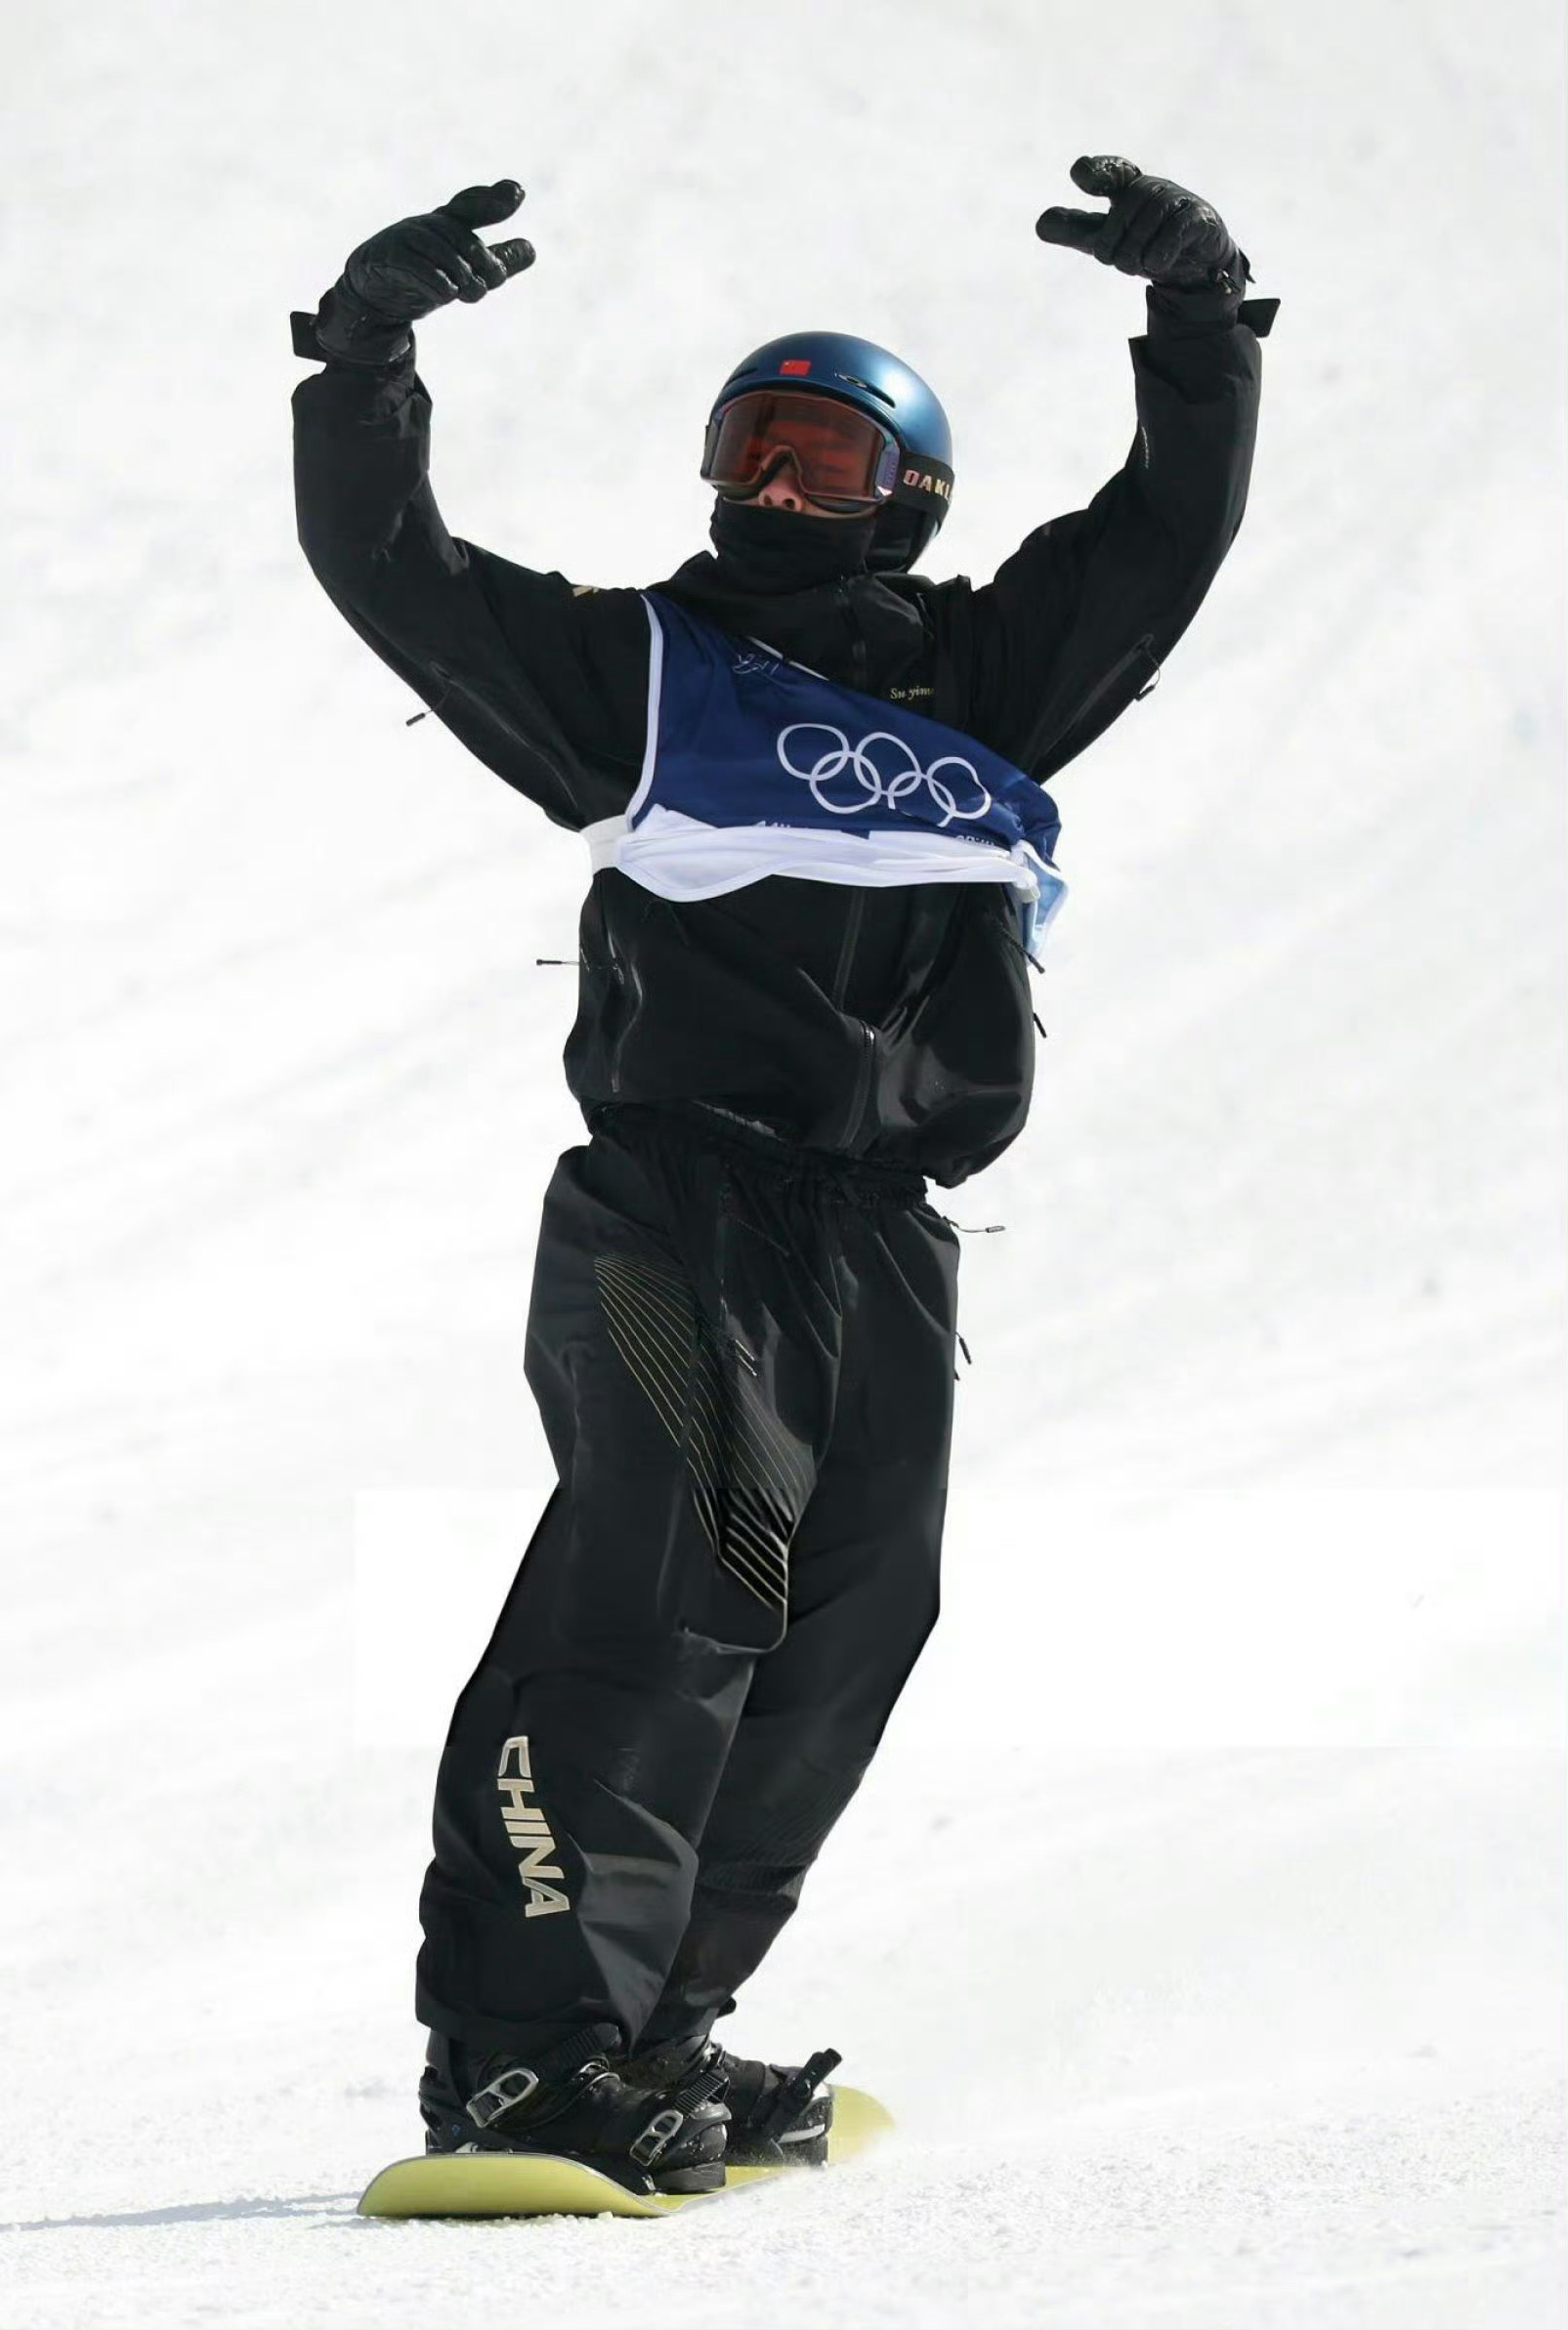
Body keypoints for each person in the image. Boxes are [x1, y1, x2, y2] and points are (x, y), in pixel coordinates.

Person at [291, 153, 1277, 2195]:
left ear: (909, 491)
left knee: (848, 1611)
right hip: (678, 1205)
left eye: (825, 452)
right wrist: (364, 361)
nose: (775, 486)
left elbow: (1167, 535)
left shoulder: (991, 682)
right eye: (752, 443)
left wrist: (1199, 321)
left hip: (879, 1238)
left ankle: (656, 2029)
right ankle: (513, 2048)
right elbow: (397, 567)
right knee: (675, 1587)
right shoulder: (640, 675)